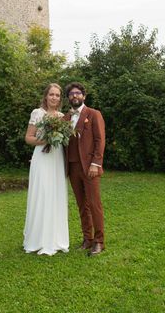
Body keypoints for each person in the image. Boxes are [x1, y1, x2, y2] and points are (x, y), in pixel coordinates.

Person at [23, 83, 69, 255]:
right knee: (42, 194)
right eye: (51, 94)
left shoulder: (62, 116)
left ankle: (56, 239)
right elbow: (28, 137)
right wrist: (45, 140)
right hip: (42, 157)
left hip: (57, 159)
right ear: (46, 96)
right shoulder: (37, 113)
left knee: (55, 195)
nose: (54, 98)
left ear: (60, 98)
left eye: (57, 95)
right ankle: (37, 239)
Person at [64, 82, 106, 256]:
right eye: (71, 94)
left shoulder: (93, 114)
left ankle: (99, 241)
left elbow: (99, 140)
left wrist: (96, 163)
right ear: (68, 98)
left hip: (89, 167)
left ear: (83, 96)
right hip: (72, 167)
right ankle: (87, 239)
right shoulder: (65, 119)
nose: (74, 96)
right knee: (82, 205)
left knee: (94, 204)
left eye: (77, 93)